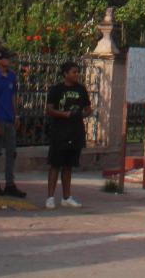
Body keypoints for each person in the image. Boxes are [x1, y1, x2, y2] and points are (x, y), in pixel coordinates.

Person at [45, 60, 91, 208]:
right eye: (73, 72)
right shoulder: (56, 90)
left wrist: (82, 114)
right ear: (65, 74)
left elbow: (88, 108)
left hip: (75, 131)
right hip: (59, 131)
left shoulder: (81, 89)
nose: (76, 74)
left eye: (77, 72)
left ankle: (66, 196)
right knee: (55, 165)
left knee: (68, 166)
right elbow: (50, 109)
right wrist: (65, 114)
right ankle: (50, 197)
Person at [0, 50, 24, 197]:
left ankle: (10, 183)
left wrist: (16, 115)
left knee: (11, 152)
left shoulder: (12, 76)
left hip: (9, 118)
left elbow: (14, 97)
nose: (8, 61)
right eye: (6, 58)